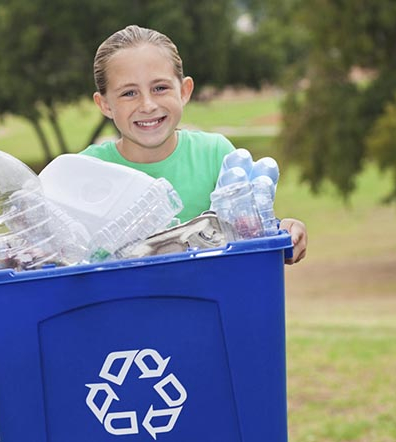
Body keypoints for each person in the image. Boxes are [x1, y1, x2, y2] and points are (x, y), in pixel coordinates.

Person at [81, 24, 307, 264]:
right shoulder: (87, 169)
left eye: (160, 88)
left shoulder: (216, 156)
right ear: (104, 104)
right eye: (129, 93)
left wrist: (287, 229)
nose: (147, 105)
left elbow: (252, 232)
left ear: (184, 91)